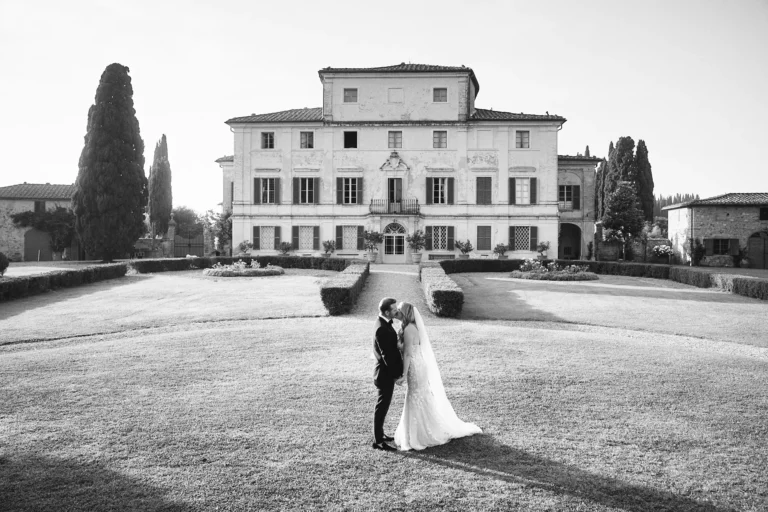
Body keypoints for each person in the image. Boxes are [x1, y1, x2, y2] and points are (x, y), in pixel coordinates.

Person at [394, 302, 482, 451]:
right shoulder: (410, 327)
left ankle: (420, 434)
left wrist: (403, 374)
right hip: (418, 365)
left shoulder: (409, 329)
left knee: (415, 396)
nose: (397, 313)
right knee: (419, 396)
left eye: (399, 311)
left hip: (415, 367)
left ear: (405, 313)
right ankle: (419, 430)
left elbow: (408, 353)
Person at [371, 297, 404, 451]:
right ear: (386, 312)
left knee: (383, 407)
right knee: (381, 408)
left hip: (384, 374)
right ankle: (378, 441)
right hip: (384, 375)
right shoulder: (381, 328)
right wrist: (397, 374)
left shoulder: (383, 324)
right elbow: (387, 357)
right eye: (394, 309)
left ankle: (381, 435)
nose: (396, 310)